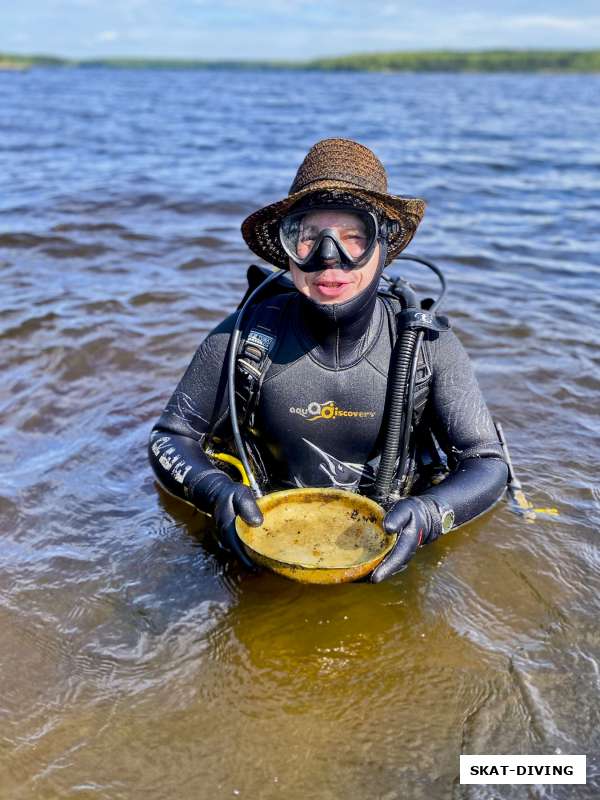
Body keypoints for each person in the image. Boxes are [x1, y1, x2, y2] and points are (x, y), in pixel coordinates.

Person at [149, 138, 508, 582]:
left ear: (384, 245)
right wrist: (214, 492)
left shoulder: (425, 345)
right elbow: (169, 437)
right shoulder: (243, 336)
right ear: (286, 249)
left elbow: (487, 462)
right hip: (260, 545)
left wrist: (429, 518)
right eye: (308, 238)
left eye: (353, 238)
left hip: (392, 544)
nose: (328, 259)